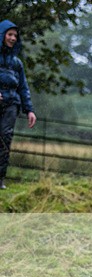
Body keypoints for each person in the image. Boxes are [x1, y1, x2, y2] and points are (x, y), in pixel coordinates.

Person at [0, 20, 36, 190]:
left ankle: (0, 179)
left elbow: (23, 87)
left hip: (11, 105)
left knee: (5, 140)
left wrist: (29, 110)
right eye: (10, 34)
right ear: (2, 35)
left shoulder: (17, 63)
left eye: (15, 35)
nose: (13, 38)